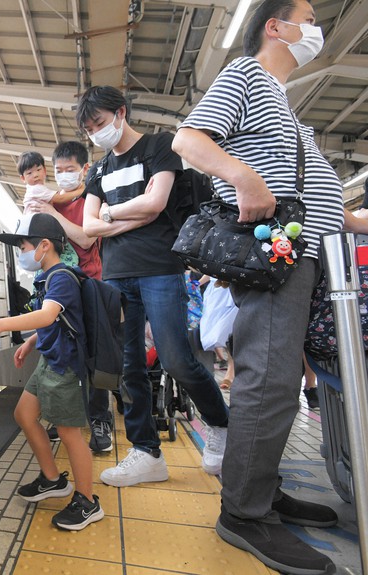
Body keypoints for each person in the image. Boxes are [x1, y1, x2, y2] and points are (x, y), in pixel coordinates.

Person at [171, 1, 368, 572]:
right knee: (269, 380)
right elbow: (190, 140)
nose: (315, 27)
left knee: (279, 382)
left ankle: (262, 491)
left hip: (309, 258)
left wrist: (351, 219)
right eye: (306, 15)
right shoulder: (246, 75)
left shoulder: (285, 103)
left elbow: (312, 187)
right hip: (277, 258)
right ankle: (243, 514)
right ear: (275, 26)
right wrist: (241, 176)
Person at [79, 85, 230, 487]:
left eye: (99, 122)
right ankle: (146, 452)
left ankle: (221, 424)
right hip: (115, 275)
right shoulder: (98, 171)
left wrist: (110, 215)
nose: (96, 133)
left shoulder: (160, 146)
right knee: (127, 367)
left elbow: (157, 202)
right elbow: (88, 227)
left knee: (177, 358)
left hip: (161, 268)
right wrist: (128, 214)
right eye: (89, 128)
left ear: (121, 113)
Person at [0, 213, 105, 531]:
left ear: (43, 245)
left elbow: (47, 315)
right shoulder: (45, 277)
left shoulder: (62, 277)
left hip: (66, 366)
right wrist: (30, 343)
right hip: (49, 361)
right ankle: (53, 479)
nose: (21, 252)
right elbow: (57, 320)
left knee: (70, 435)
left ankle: (87, 501)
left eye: (23, 245)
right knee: (24, 415)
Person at [29, 141, 111, 453]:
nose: (63, 176)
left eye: (70, 170)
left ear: (85, 169)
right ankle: (64, 418)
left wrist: (52, 213)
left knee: (92, 357)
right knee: (60, 354)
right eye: (59, 171)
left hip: (89, 288)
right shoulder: (50, 199)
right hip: (55, 288)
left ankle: (100, 420)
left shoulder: (90, 200)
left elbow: (86, 239)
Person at [199, 276, 238, 390]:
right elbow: (210, 268)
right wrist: (198, 283)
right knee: (220, 333)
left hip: (232, 289)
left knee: (230, 330)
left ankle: (231, 371)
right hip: (216, 292)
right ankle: (231, 368)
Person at [19, 151, 84, 215]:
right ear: (23, 178)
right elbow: (61, 199)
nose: (36, 175)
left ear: (44, 170)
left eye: (38, 170)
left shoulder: (36, 190)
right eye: (29, 173)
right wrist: (82, 190)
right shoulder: (35, 189)